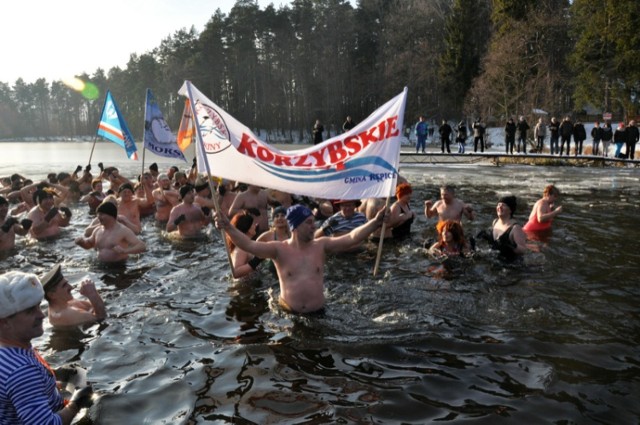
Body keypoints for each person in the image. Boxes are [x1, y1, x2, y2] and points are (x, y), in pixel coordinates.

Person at [214, 204, 389, 314]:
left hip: (319, 314)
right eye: (309, 223)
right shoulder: (279, 249)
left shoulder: (321, 245)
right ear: (296, 226)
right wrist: (228, 226)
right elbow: (248, 245)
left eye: (314, 222)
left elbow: (352, 237)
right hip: (288, 315)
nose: (315, 226)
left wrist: (375, 222)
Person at [0, 271, 93, 424]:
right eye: (30, 311)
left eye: (38, 306)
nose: (42, 315)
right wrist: (76, 403)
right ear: (4, 322)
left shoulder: (11, 351)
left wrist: (52, 376)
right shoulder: (22, 371)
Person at [75, 201, 146, 263]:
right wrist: (81, 242)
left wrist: (125, 251)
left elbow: (142, 246)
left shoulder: (123, 231)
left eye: (102, 214)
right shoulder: (97, 230)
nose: (98, 217)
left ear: (111, 215)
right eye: (98, 214)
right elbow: (89, 244)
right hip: (100, 267)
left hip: (118, 267)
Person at [41, 264, 106, 327]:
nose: (71, 287)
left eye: (67, 283)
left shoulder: (64, 303)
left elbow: (94, 308)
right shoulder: (65, 315)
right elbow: (101, 316)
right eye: (64, 285)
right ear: (52, 295)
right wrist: (92, 294)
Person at [491, 195, 527, 262]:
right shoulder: (495, 222)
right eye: (498, 205)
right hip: (495, 260)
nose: (500, 207)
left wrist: (511, 245)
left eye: (503, 205)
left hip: (510, 265)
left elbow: (523, 250)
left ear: (510, 210)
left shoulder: (515, 228)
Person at [226, 212, 261, 279]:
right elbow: (236, 272)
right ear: (247, 228)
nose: (256, 225)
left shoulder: (246, 244)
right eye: (253, 224)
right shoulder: (241, 249)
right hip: (246, 287)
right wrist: (257, 260)